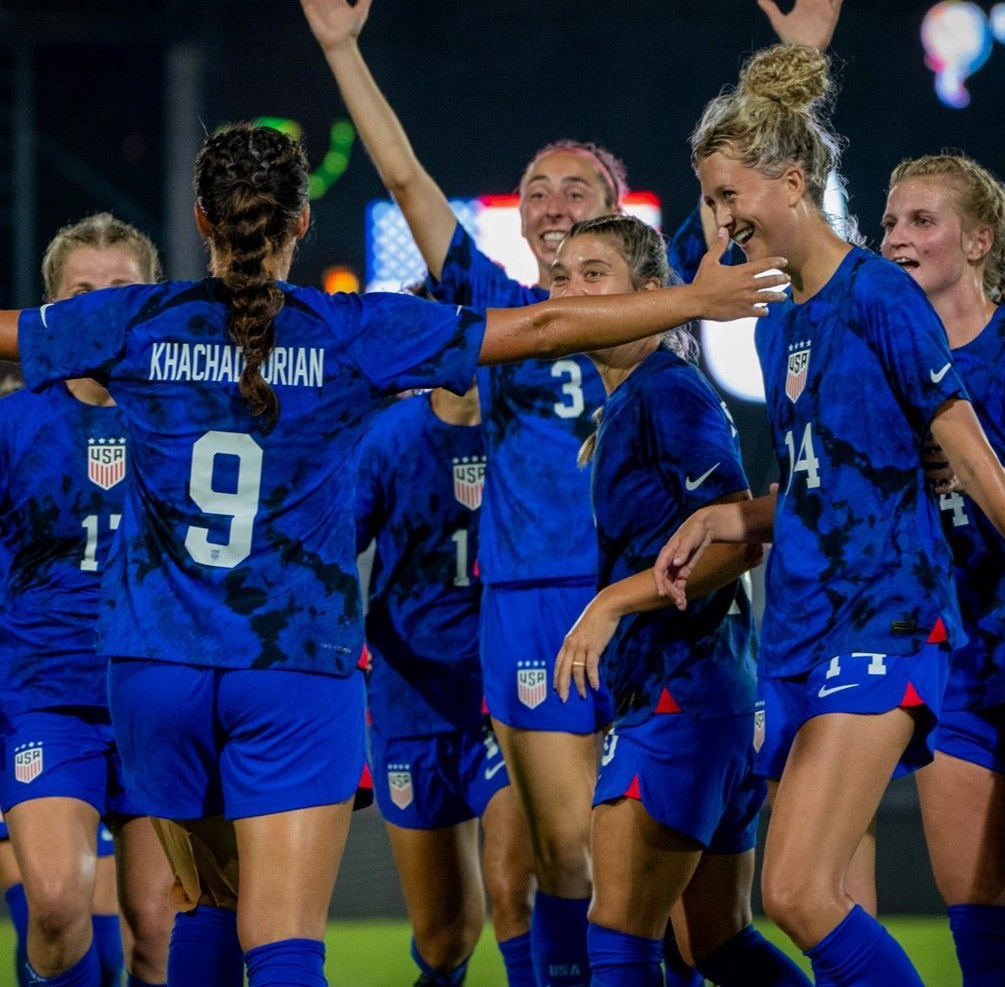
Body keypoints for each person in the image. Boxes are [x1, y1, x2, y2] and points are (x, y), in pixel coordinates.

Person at [0, 121, 785, 987]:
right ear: (301, 225)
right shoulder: (351, 330)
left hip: (154, 667)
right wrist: (693, 302)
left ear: (201, 220)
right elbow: (548, 323)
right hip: (290, 667)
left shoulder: (129, 319)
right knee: (285, 941)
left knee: (206, 915)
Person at [298, 0, 843, 987]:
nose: (551, 205)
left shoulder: (663, 300)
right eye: (537, 191)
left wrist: (792, 63)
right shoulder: (507, 318)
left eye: (576, 190)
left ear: (617, 223)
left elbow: (734, 192)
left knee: (645, 890)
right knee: (560, 866)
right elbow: (407, 179)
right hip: (531, 608)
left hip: (646, 605)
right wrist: (340, 52)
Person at [652, 43, 1005, 987]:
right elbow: (830, 481)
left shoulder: (879, 295)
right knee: (794, 901)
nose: (721, 221)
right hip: (800, 627)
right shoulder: (781, 319)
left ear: (796, 182)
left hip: (888, 614)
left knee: (802, 891)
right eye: (712, 201)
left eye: (731, 196)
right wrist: (739, 521)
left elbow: (967, 456)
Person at [546, 215, 810, 987]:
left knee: (619, 938)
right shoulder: (631, 399)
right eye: (563, 277)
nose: (572, 290)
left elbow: (736, 539)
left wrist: (612, 605)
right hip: (704, 697)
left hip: (681, 699)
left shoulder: (668, 393)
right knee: (714, 942)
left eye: (596, 273)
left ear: (653, 296)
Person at [881, 154, 1005, 984]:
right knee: (984, 946)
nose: (897, 239)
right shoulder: (881, 366)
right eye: (889, 223)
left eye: (921, 221)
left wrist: (963, 465)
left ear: (980, 239)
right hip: (948, 664)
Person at [0, 213, 176, 987]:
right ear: (50, 309)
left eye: (123, 288)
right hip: (46, 698)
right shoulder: (14, 421)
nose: (103, 304)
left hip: (160, 697)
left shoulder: (186, 420)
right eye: (83, 290)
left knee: (160, 938)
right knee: (60, 905)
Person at [354, 380, 534, 987]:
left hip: (508, 695)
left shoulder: (528, 429)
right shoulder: (389, 438)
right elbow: (328, 552)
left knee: (515, 895)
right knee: (445, 937)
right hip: (411, 701)